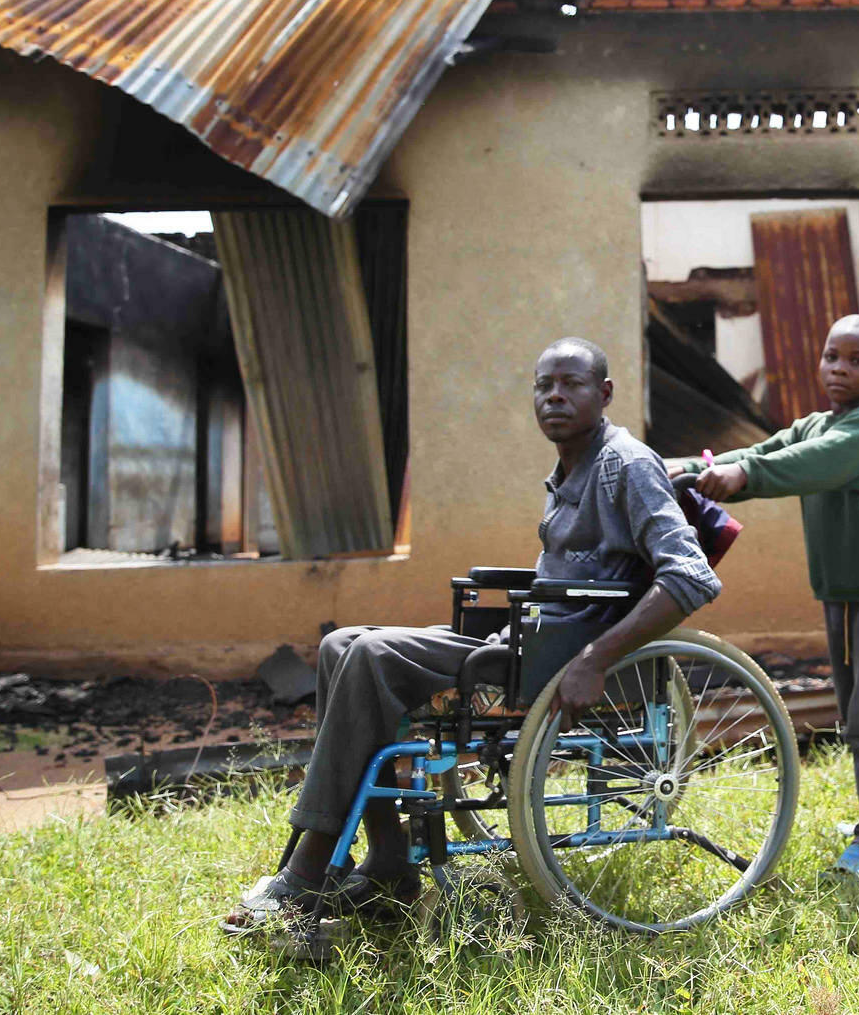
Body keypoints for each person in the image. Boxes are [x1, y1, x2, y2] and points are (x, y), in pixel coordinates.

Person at [223, 336, 719, 935]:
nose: (555, 396)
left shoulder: (626, 465)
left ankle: (308, 869)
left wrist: (595, 658)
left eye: (572, 384)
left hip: (561, 654)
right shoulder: (572, 466)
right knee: (340, 645)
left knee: (372, 657)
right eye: (544, 386)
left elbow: (691, 577)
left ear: (605, 393)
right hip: (530, 639)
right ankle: (387, 860)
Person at [667, 314, 859, 879]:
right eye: (833, 356)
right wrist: (682, 468)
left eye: (857, 361)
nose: (840, 369)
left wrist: (743, 478)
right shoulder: (813, 424)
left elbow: (801, 466)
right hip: (844, 592)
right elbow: (757, 453)